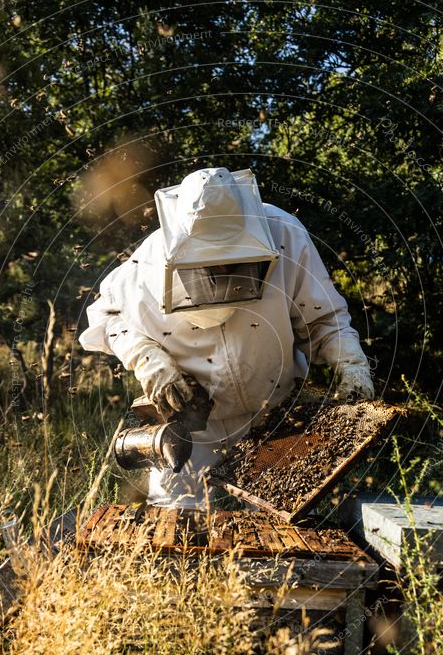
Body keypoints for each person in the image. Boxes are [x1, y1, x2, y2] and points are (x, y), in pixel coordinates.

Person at [79, 166, 374, 508]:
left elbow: (323, 318)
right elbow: (107, 316)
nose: (222, 272)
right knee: (175, 521)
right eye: (210, 265)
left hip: (276, 415)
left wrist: (351, 364)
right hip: (192, 423)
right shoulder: (146, 264)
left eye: (233, 261)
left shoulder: (284, 234)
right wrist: (148, 360)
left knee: (280, 522)